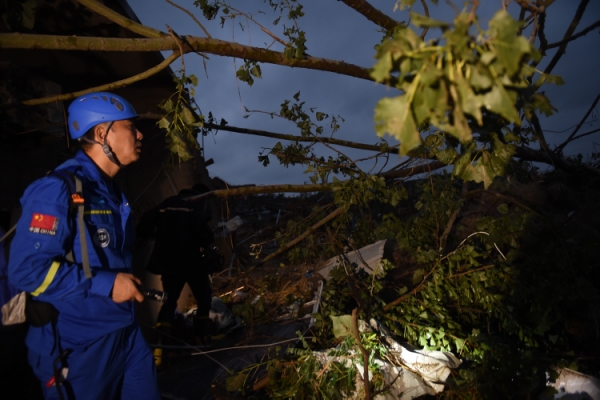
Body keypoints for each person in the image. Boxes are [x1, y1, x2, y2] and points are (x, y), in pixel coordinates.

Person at [8, 92, 160, 399]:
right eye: (131, 126)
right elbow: (26, 271)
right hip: (79, 345)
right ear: (102, 133)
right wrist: (107, 284)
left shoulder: (110, 191)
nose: (140, 133)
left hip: (125, 334)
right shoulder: (57, 189)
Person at [141, 184, 219, 340]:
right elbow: (205, 235)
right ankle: (201, 335)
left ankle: (161, 344)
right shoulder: (195, 204)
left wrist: (148, 236)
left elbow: (146, 220)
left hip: (168, 262)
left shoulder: (168, 203)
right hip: (191, 261)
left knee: (169, 301)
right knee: (204, 297)